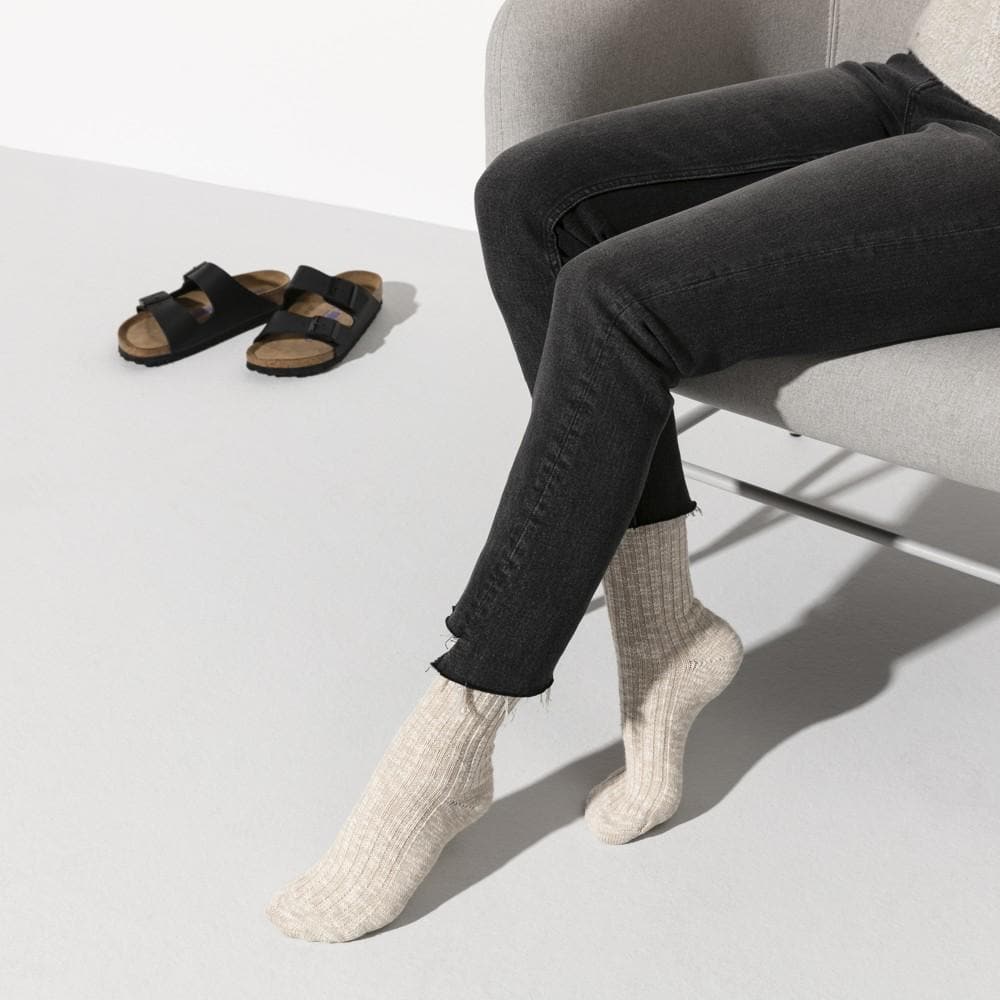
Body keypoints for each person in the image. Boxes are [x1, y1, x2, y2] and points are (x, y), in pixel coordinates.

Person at [265, 1, 1000, 942]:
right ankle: (662, 632)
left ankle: (458, 731)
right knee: (528, 201)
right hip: (934, 73)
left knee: (616, 299)